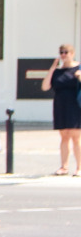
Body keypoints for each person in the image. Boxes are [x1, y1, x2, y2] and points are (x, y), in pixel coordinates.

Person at [40, 43, 80, 176]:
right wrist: (52, 68)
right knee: (64, 135)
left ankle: (79, 167)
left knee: (75, 136)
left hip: (75, 106)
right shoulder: (57, 72)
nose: (63, 55)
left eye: (66, 52)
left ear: (72, 53)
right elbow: (45, 87)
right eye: (61, 52)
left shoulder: (78, 68)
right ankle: (64, 166)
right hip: (61, 105)